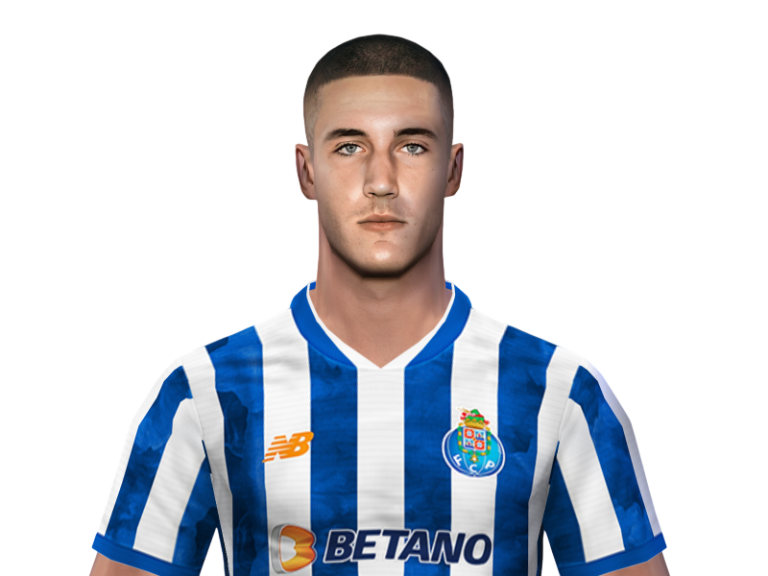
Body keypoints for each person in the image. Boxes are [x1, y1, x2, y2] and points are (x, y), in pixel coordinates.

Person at [90, 33, 671, 576]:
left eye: (412, 146)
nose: (381, 180)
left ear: (454, 169)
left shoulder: (560, 388)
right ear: (306, 171)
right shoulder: (203, 388)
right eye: (349, 147)